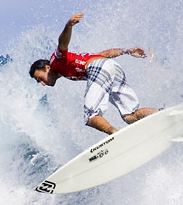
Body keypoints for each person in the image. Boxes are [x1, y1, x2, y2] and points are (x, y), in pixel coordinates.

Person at [29, 13, 157, 135]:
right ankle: (161, 113)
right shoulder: (66, 66)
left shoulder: (55, 61)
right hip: (111, 67)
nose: (43, 83)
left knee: (90, 116)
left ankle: (116, 134)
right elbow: (104, 54)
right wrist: (127, 51)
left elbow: (62, 43)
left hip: (99, 68)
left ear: (47, 68)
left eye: (40, 78)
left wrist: (68, 25)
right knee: (130, 116)